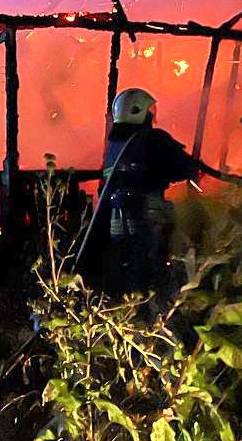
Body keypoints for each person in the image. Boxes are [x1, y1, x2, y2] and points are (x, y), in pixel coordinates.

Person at [76, 88, 207, 298]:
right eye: (150, 112)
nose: (152, 117)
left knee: (126, 265)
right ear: (140, 112)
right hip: (149, 212)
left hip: (115, 218)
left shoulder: (114, 145)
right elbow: (184, 168)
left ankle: (128, 305)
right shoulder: (153, 138)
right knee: (158, 264)